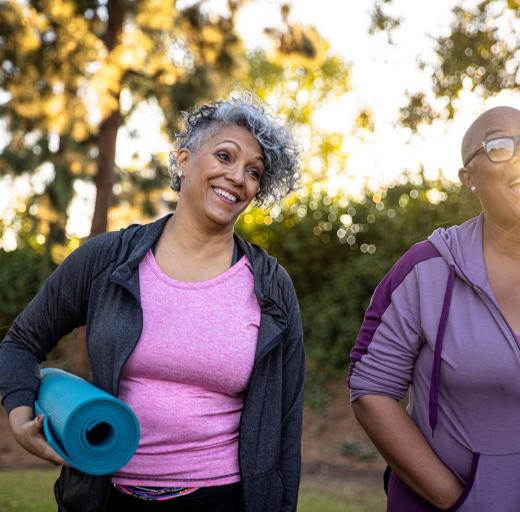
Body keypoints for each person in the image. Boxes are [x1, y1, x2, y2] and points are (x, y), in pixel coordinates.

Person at [0, 97, 305, 512]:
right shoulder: (108, 258)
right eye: (224, 156)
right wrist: (19, 417)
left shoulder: (271, 286)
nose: (237, 177)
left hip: (224, 500)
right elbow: (20, 342)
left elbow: (286, 421)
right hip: (106, 497)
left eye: (254, 172)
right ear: (184, 160)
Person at [348, 105, 520, 511]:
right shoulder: (426, 270)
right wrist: (456, 499)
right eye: (499, 145)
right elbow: (371, 388)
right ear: (469, 178)